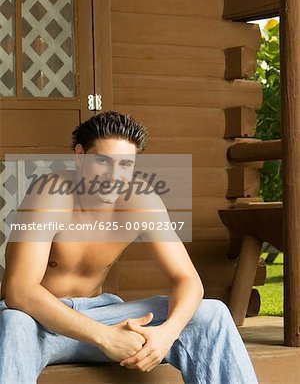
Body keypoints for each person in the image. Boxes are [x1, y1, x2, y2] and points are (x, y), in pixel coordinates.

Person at [0, 111, 258, 384]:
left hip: (105, 313)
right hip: (41, 324)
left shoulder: (141, 200)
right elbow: (19, 290)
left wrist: (166, 334)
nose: (114, 176)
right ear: (80, 156)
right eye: (103, 161)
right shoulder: (50, 194)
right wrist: (105, 337)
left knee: (211, 314)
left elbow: (188, 280)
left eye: (125, 165)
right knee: (14, 322)